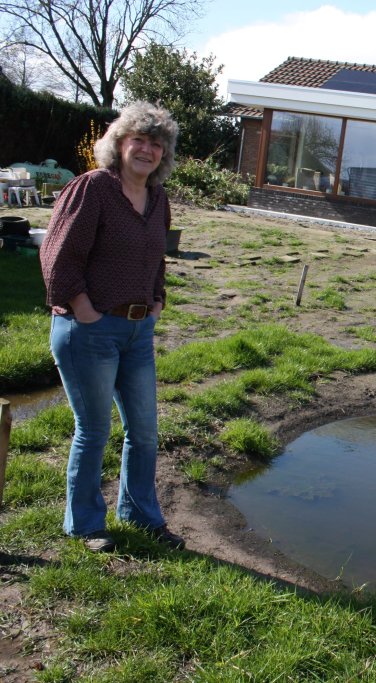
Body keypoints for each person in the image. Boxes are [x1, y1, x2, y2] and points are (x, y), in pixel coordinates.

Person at [40, 102, 184, 553]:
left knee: (143, 432)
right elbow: (57, 255)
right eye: (137, 140)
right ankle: (84, 524)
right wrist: (82, 307)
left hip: (138, 333)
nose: (146, 149)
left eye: (156, 144)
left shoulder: (157, 200)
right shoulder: (93, 188)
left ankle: (140, 514)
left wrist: (158, 300)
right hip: (89, 331)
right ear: (118, 144)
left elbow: (155, 257)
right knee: (94, 430)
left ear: (164, 155)